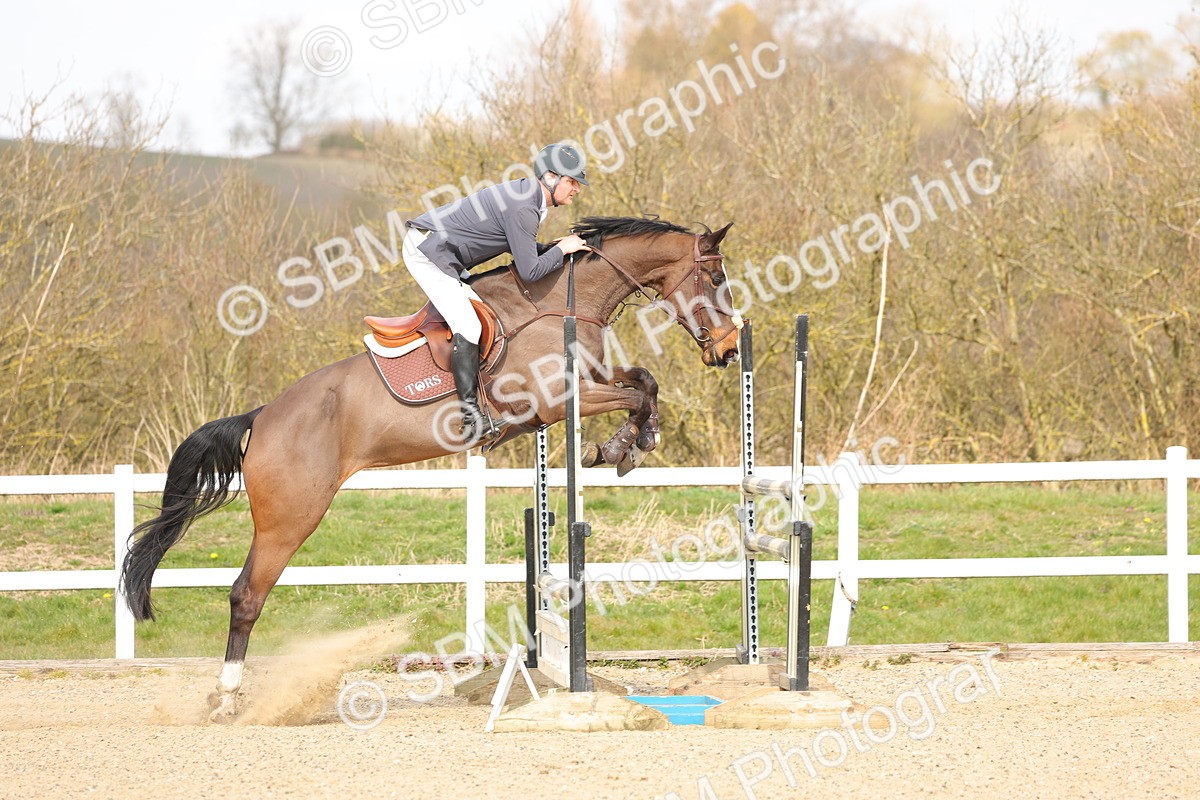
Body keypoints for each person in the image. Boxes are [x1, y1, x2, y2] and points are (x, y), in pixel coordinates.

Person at [402, 142, 592, 441]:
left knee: (484, 315)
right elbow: (529, 272)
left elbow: (523, 252)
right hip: (428, 251)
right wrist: (562, 249)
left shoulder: (529, 198)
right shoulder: (526, 207)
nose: (577, 189)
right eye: (571, 182)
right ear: (551, 177)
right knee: (469, 324)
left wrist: (553, 249)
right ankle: (471, 417)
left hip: (443, 250)